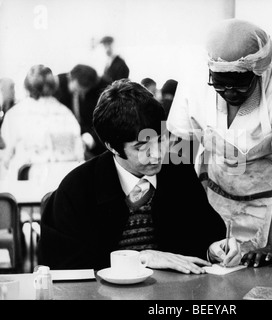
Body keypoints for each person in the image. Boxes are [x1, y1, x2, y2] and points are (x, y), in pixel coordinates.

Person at [167, 19, 272, 284]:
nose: (229, 92)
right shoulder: (193, 84)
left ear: (258, 73)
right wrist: (188, 228)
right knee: (214, 277)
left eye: (239, 85)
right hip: (216, 193)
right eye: (220, 84)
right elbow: (178, 160)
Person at [37, 79, 241, 273]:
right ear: (111, 146)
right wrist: (140, 258)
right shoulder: (78, 189)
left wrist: (213, 248)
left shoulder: (177, 171)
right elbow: (66, 268)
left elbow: (201, 234)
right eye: (141, 146)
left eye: (161, 139)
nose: (157, 154)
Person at [0, 65, 84, 180]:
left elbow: (5, 159)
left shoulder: (14, 115)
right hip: (63, 183)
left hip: (26, 186)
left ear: (27, 86)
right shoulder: (66, 114)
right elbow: (79, 156)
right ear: (53, 86)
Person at [54, 64, 108, 159]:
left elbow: (106, 120)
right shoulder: (57, 84)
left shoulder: (101, 88)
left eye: (82, 92)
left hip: (91, 136)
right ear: (70, 78)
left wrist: (90, 138)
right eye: (75, 90)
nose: (78, 94)